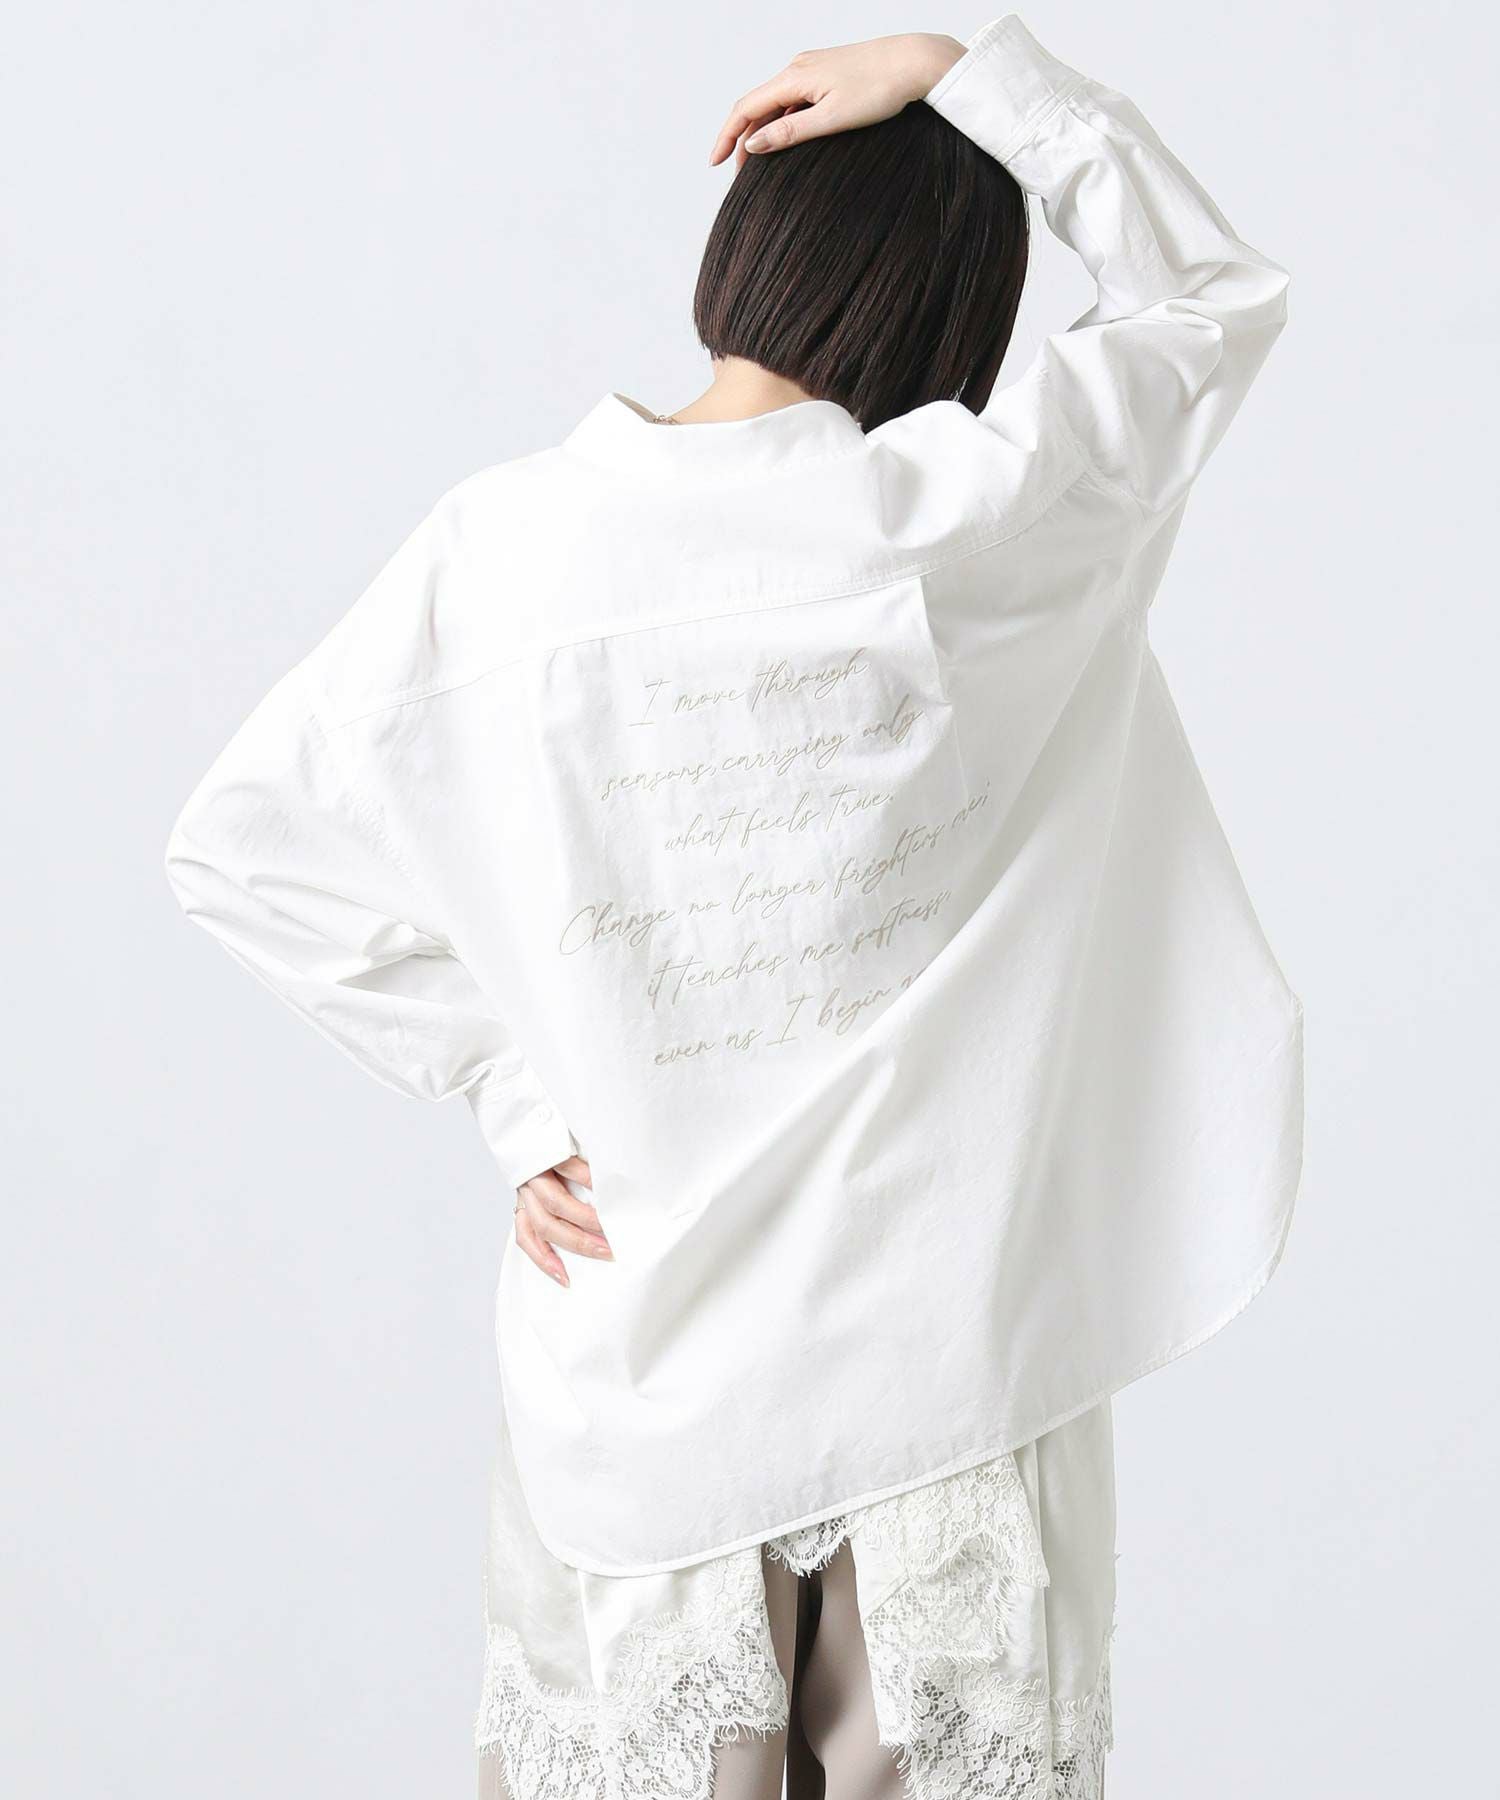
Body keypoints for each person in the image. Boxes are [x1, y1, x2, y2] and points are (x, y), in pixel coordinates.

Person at [164, 16, 1303, 1797]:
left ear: (746, 251)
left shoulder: (499, 554)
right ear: (955, 310)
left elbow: (243, 845)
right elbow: (1212, 299)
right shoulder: (977, 519)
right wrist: (967, 69)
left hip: (645, 1391)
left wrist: (513, 1094)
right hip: (952, 1374)